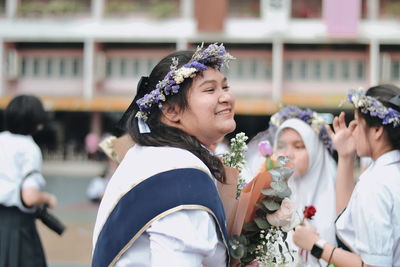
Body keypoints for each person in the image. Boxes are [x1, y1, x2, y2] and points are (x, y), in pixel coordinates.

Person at [92, 43, 236, 267]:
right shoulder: (179, 172)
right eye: (210, 90)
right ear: (170, 110)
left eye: (225, 87)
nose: (226, 97)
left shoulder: (153, 157)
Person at [293, 84, 400, 267]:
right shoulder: (386, 172)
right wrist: (346, 156)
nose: (353, 130)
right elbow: (350, 222)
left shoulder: (377, 183)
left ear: (377, 131)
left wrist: (316, 245)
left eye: (358, 123)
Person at [242, 106, 337, 266]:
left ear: (316, 152)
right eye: (281, 145)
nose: (288, 153)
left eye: (298, 146)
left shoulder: (335, 197)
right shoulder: (266, 196)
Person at [0, 95, 57, 267]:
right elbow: (29, 196)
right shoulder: (29, 149)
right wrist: (48, 198)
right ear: (36, 122)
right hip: (16, 226)